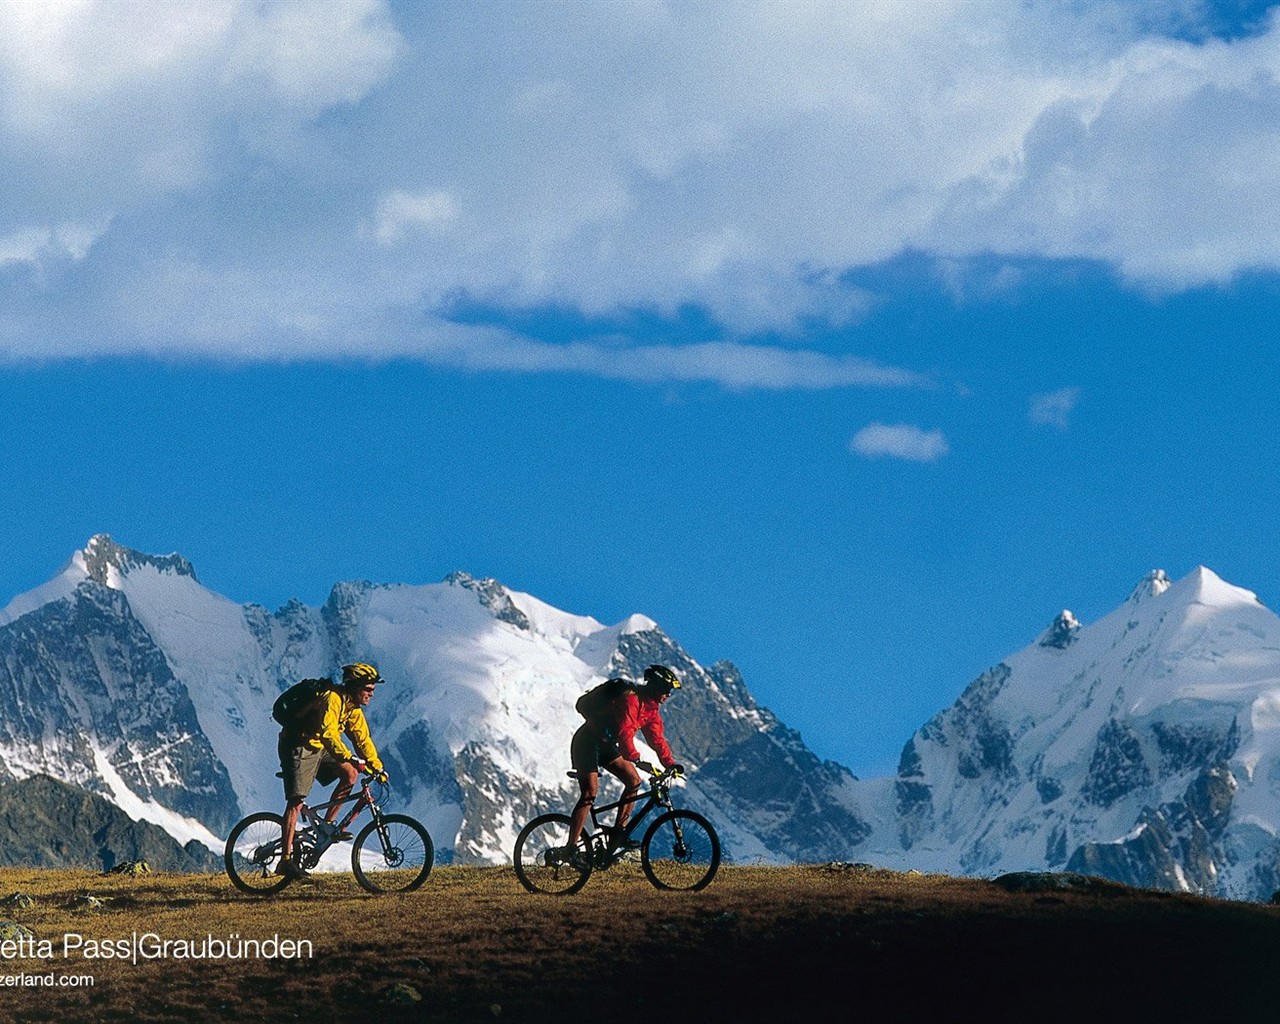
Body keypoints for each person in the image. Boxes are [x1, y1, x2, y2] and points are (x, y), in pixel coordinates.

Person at [277, 662, 389, 879]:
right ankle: (286, 860)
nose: (371, 694)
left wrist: (377, 767)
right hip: (298, 744)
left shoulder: (353, 710)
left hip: (321, 748)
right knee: (296, 802)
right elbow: (329, 735)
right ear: (355, 687)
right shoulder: (333, 699)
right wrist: (348, 757)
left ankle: (327, 828)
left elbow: (362, 740)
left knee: (350, 774)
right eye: (368, 689)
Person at [566, 664, 686, 861]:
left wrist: (670, 764)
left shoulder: (651, 710)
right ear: (655, 686)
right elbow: (625, 734)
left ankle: (618, 834)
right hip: (587, 741)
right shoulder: (631, 700)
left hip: (605, 744)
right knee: (589, 793)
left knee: (634, 781)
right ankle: (569, 849)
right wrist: (635, 758)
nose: (668, 695)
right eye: (666, 690)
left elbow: (657, 739)